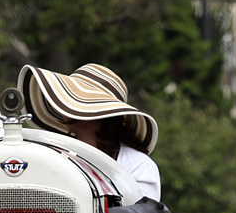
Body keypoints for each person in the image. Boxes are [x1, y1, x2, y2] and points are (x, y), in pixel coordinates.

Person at [16, 63, 160, 200]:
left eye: (74, 101)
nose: (64, 108)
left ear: (100, 115)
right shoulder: (58, 158)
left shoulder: (138, 164)